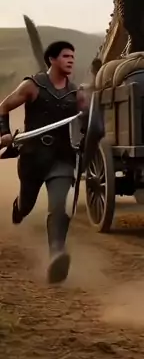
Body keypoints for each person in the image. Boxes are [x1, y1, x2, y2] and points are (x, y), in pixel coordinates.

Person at [0, 40, 88, 284]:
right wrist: (4, 133)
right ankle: (19, 207)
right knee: (26, 204)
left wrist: (90, 122)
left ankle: (56, 254)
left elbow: (88, 121)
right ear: (52, 59)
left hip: (62, 157)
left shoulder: (76, 93)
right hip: (33, 157)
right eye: (66, 56)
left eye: (73, 56)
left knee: (59, 207)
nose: (71, 60)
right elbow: (4, 106)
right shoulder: (33, 85)